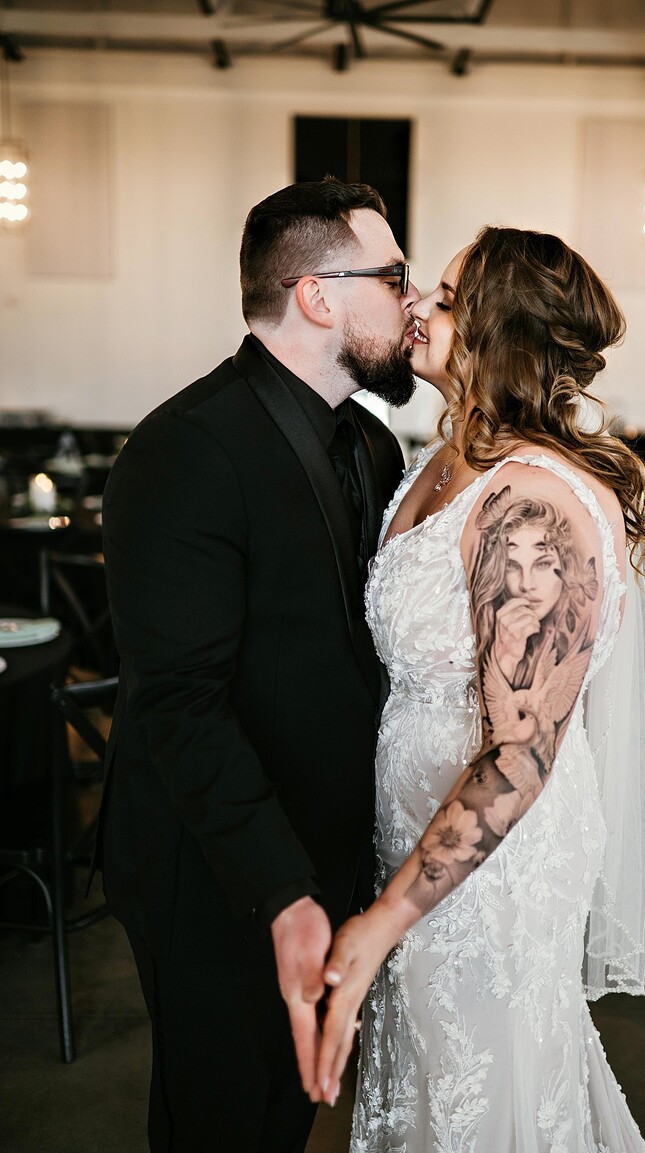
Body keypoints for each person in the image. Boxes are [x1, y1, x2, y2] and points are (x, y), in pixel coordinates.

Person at [308, 227, 645, 1151]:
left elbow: (521, 752)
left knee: (483, 1090)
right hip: (413, 839)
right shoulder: (444, 460)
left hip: (498, 865)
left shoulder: (534, 506)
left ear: (502, 333)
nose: (417, 304)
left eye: (449, 296)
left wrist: (383, 919)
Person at [96, 178, 420, 1152]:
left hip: (331, 851)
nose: (411, 300)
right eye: (393, 276)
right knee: (220, 1122)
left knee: (287, 1115)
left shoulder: (373, 443)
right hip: (217, 871)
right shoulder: (183, 450)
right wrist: (282, 890)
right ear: (316, 296)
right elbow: (179, 704)